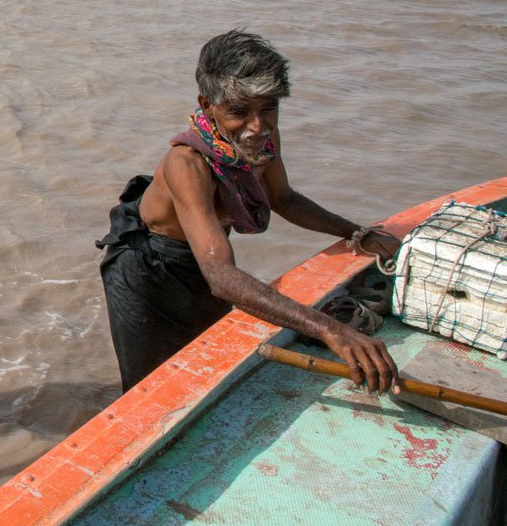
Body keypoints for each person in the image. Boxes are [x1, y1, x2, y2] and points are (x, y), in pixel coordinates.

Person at [98, 30, 402, 394]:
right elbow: (222, 276)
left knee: (202, 370)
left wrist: (355, 233)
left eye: (268, 108)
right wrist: (330, 328)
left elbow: (284, 199)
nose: (257, 126)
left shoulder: (262, 139)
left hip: (203, 259)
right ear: (207, 104)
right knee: (147, 391)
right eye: (239, 112)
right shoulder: (187, 164)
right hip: (147, 271)